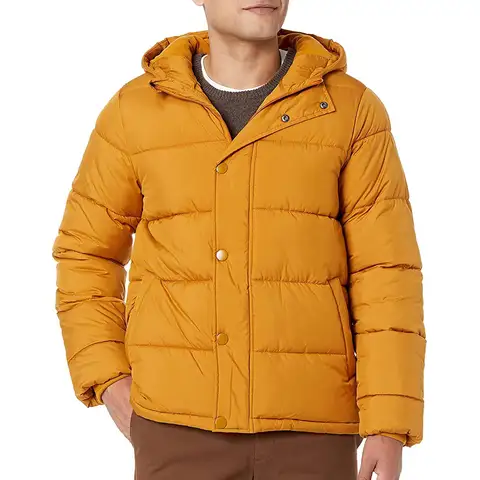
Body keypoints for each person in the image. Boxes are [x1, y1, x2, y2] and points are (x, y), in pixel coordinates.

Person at [52, 1, 426, 479]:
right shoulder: (135, 112)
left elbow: (386, 271)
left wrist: (389, 421)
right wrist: (108, 379)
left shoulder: (350, 111)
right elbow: (86, 253)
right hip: (175, 427)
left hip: (313, 428)